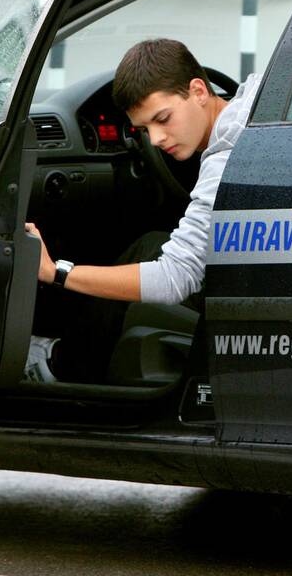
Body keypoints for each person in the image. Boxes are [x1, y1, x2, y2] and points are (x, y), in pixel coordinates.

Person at [23, 38, 261, 383]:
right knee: (153, 241)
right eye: (145, 129)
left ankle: (61, 366)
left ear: (198, 91)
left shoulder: (225, 161)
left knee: (147, 248)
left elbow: (175, 277)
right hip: (260, 275)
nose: (156, 139)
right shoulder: (257, 99)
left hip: (249, 297)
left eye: (163, 118)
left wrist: (56, 272)